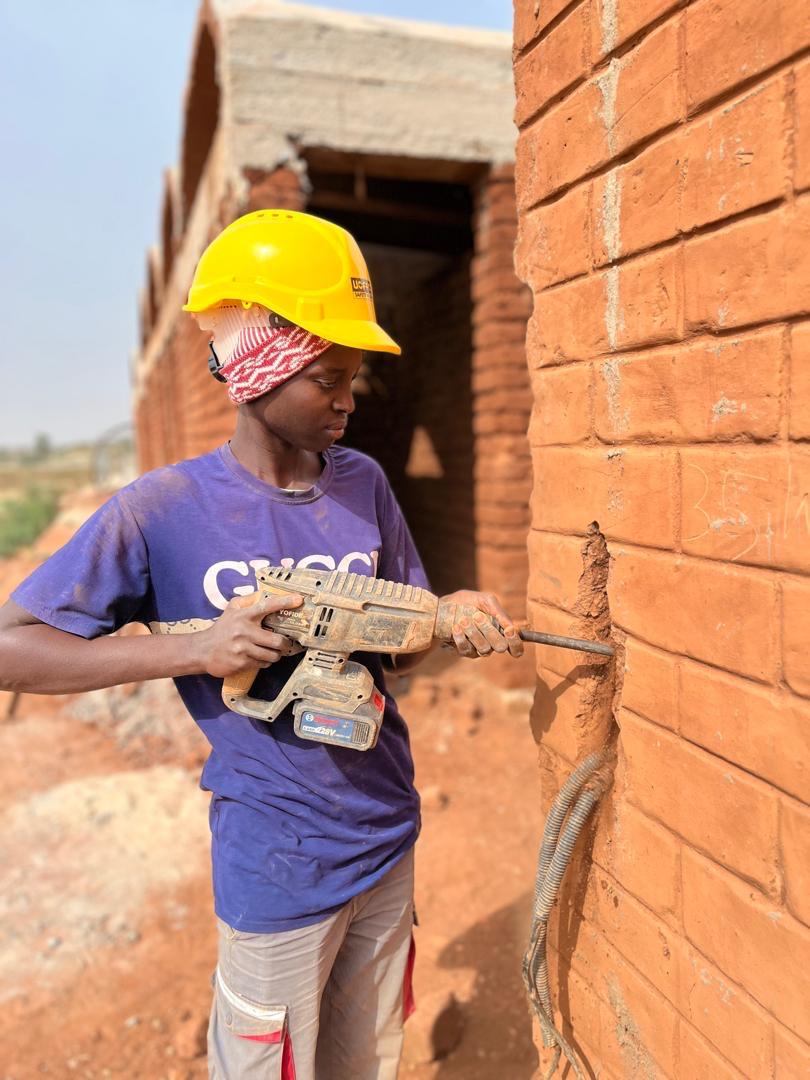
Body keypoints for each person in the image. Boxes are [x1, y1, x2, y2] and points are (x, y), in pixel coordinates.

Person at [0, 209, 523, 1079]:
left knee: (367, 1060)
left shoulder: (364, 485)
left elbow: (397, 649)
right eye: (328, 378)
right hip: (277, 867)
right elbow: (11, 646)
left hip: (387, 837)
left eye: (355, 378)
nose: (349, 401)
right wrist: (198, 649)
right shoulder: (163, 511)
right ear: (259, 368)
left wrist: (445, 617)